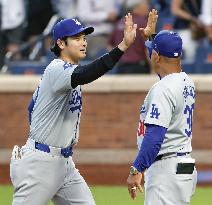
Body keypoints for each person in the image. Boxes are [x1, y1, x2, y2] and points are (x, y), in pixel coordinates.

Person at [10, 10, 158, 205]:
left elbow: (31, 108)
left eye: (84, 37)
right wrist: (122, 47)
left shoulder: (66, 72)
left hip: (64, 163)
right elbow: (87, 74)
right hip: (41, 162)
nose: (84, 42)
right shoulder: (57, 68)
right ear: (61, 43)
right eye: (76, 38)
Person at [127, 30, 197, 205]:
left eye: (153, 51)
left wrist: (137, 169)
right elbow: (166, 73)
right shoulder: (186, 80)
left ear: (156, 56)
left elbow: (155, 136)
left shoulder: (163, 89)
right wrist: (152, 38)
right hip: (183, 166)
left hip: (166, 171)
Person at [108, 0, 151, 74]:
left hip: (121, 68)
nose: (148, 7)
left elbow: (109, 45)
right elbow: (147, 48)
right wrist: (153, 68)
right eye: (146, 4)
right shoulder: (142, 23)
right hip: (139, 68)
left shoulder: (121, 22)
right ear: (137, 7)